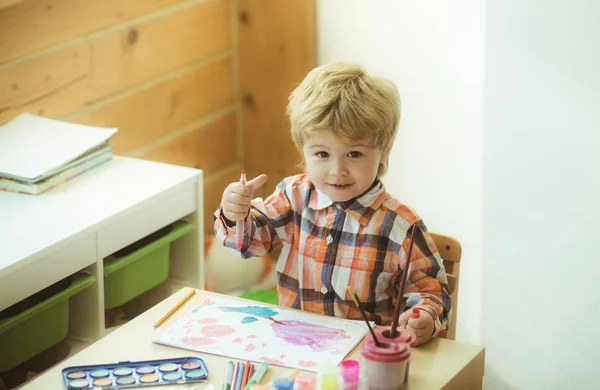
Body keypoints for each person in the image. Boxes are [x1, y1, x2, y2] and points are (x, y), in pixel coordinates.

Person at [214, 62, 451, 345]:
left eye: (354, 154)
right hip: (295, 345)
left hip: (366, 357)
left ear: (384, 151)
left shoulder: (401, 226)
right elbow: (249, 241)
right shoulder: (294, 196)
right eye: (323, 154)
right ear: (303, 148)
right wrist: (235, 213)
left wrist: (423, 316)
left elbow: (429, 293)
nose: (337, 170)